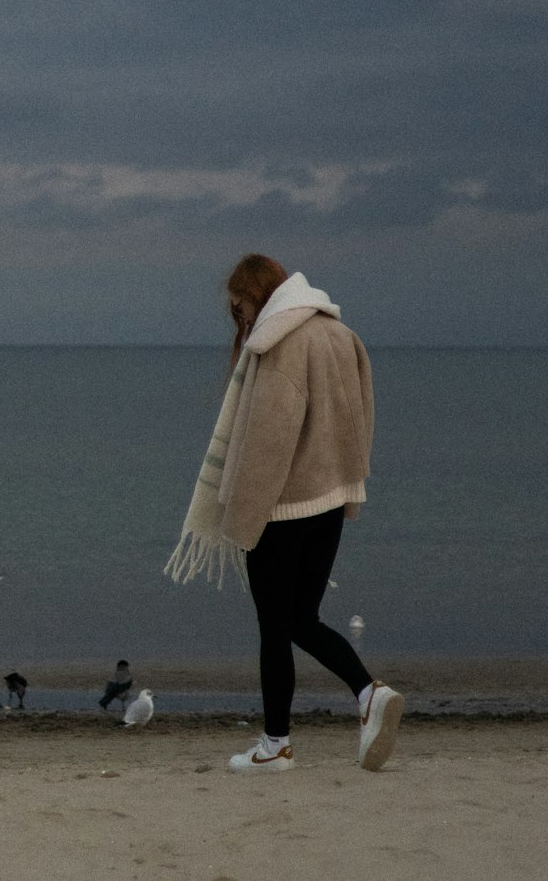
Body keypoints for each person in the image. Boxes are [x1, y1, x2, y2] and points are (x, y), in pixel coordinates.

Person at [166, 253, 403, 773]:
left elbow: (267, 444)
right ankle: (367, 694)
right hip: (329, 502)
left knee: (275, 628)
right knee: (301, 618)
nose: (242, 318)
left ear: (259, 293)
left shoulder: (280, 343)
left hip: (283, 507)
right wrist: (348, 489)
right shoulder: (341, 335)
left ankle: (276, 745)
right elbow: (362, 416)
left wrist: (244, 518)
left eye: (242, 306)